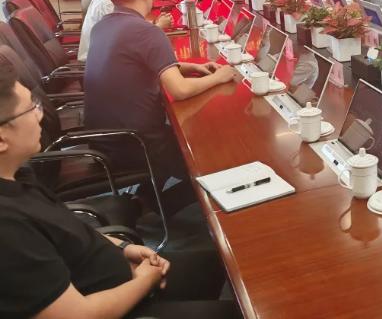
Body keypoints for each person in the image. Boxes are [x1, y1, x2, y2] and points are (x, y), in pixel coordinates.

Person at [0, 63, 240, 319]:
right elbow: (77, 315)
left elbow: (67, 231)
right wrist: (144, 281)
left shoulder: (18, 176)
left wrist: (123, 248)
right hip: (115, 304)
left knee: (225, 264)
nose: (40, 116)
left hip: (121, 274)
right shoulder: (8, 227)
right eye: (31, 108)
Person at [83, 0, 237, 203]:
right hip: (137, 144)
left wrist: (190, 66)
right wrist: (219, 77)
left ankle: (146, 199)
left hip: (103, 140)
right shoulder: (147, 31)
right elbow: (180, 90)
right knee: (215, 156)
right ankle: (151, 206)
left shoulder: (103, 26)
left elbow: (135, 62)